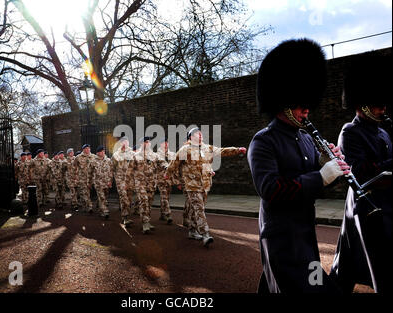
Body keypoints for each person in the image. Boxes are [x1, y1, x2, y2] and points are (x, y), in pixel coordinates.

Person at [247, 38, 350, 293]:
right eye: (300, 105)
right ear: (283, 102)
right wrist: (322, 177)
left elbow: (319, 181)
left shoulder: (306, 139)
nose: (306, 111)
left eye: (308, 105)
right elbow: (270, 189)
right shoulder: (263, 141)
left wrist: (332, 168)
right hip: (280, 236)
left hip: (305, 232)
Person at [330, 54, 392, 293]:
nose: (383, 107)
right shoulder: (350, 132)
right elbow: (361, 172)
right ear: (362, 104)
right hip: (366, 208)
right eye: (377, 103)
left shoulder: (383, 132)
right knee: (381, 264)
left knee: (347, 263)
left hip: (385, 204)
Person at [166, 128, 246, 246]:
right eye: (197, 134)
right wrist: (167, 173)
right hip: (192, 185)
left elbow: (221, 151)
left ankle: (192, 231)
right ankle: (205, 234)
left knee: (197, 208)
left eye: (200, 133)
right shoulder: (185, 149)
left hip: (205, 184)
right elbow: (174, 163)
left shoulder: (207, 148)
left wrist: (237, 150)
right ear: (191, 137)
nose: (200, 135)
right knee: (199, 209)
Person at [125, 137, 158, 234]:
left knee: (149, 202)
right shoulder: (135, 156)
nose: (147, 143)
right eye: (145, 142)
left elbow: (160, 165)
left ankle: (147, 219)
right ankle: (145, 223)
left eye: (148, 142)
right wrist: (127, 183)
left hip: (151, 183)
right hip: (140, 183)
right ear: (141, 144)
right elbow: (129, 170)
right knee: (143, 201)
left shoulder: (154, 155)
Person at [111, 137, 135, 227]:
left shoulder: (133, 154)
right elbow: (112, 167)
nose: (126, 143)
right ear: (120, 143)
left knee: (129, 198)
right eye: (124, 142)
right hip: (120, 180)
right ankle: (125, 217)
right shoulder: (116, 155)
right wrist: (115, 178)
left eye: (127, 141)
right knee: (124, 197)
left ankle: (126, 217)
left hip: (130, 180)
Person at [156, 138, 176, 224]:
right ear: (160, 145)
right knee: (164, 196)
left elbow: (175, 165)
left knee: (166, 197)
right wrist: (168, 167)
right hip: (161, 179)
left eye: (167, 143)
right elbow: (162, 163)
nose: (166, 144)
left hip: (169, 179)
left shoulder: (172, 154)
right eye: (164, 143)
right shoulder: (157, 155)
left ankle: (162, 214)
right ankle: (168, 215)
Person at [92, 145, 113, 219]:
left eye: (103, 151)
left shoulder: (108, 160)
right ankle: (105, 211)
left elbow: (111, 171)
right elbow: (90, 172)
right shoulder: (94, 161)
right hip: (98, 183)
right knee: (102, 197)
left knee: (105, 196)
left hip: (106, 183)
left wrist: (110, 181)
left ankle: (100, 208)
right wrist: (90, 182)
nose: (103, 152)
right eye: (101, 151)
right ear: (97, 153)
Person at [74, 144, 96, 213]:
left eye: (89, 148)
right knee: (85, 192)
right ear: (83, 149)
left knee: (87, 193)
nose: (88, 149)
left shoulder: (93, 156)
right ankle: (90, 207)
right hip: (82, 178)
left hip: (91, 178)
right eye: (86, 148)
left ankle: (84, 206)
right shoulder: (78, 157)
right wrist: (76, 177)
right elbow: (74, 167)